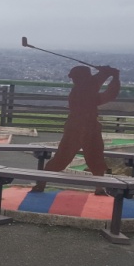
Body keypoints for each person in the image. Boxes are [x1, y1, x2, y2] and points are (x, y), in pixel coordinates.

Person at [30, 64, 120, 193]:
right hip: (78, 127)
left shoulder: (86, 89)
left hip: (87, 127)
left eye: (75, 77)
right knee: (63, 158)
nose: (73, 80)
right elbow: (101, 88)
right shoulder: (81, 90)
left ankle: (99, 187)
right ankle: (41, 183)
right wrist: (109, 74)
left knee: (95, 157)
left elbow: (108, 94)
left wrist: (112, 76)